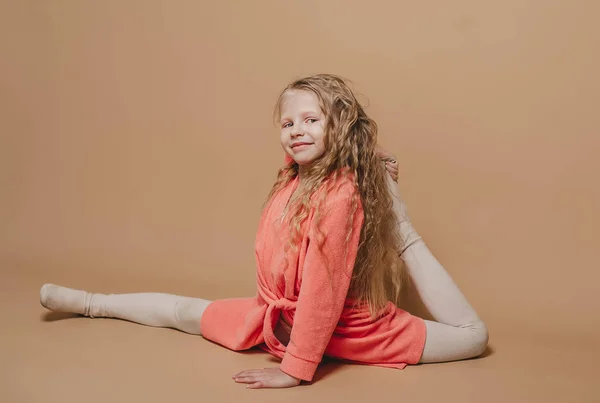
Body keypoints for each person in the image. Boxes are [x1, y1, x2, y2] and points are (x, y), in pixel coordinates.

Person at [40, 74, 489, 389]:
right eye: (288, 123)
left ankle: (400, 225)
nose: (296, 131)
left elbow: (323, 288)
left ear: (340, 126)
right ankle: (91, 303)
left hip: (348, 328)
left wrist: (295, 368)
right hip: (279, 319)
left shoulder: (342, 195)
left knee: (473, 337)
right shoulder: (294, 178)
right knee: (183, 311)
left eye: (311, 120)